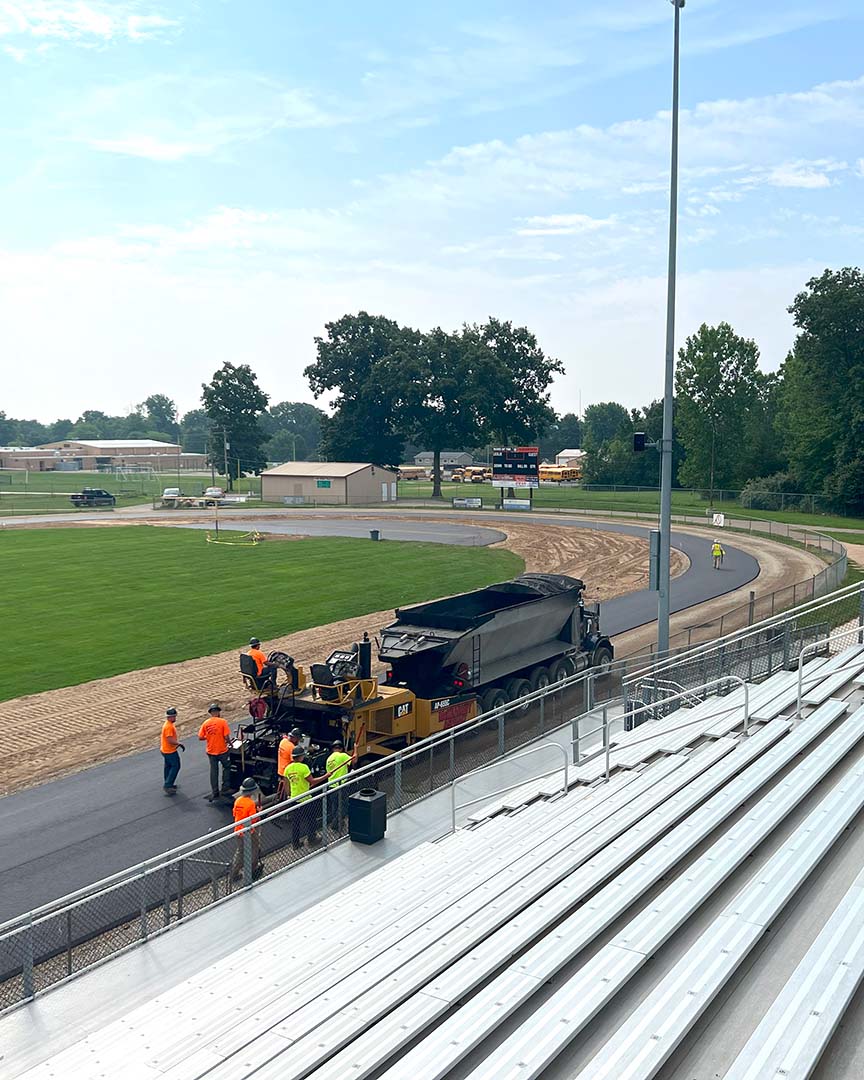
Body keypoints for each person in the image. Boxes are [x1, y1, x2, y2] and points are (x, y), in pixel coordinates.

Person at [283, 744, 332, 849]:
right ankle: (311, 839)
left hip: (294, 799)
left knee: (296, 822)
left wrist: (289, 795)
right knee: (311, 819)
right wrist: (326, 776)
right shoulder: (304, 768)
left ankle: (295, 844)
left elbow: (286, 785)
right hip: (305, 798)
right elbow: (312, 781)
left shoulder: (288, 768)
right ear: (301, 756)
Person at [230, 777, 263, 881]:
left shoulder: (238, 801)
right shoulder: (250, 803)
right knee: (254, 850)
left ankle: (234, 873)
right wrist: (259, 812)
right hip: (249, 831)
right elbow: (253, 819)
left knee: (240, 852)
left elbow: (234, 813)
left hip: (238, 831)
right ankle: (251, 871)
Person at [198, 703, 232, 801]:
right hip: (222, 750)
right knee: (227, 767)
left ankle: (215, 791)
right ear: (218, 712)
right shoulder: (222, 722)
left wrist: (209, 737)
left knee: (214, 771)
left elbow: (200, 737)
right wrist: (229, 743)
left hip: (211, 751)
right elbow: (226, 736)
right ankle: (225, 787)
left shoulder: (206, 723)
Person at [325, 738, 357, 829]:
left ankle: (339, 823)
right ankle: (335, 823)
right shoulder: (342, 756)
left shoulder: (329, 759)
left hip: (331, 786)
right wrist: (355, 748)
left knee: (335, 806)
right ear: (341, 748)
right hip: (341, 785)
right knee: (344, 805)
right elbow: (354, 760)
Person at [160, 707, 185, 795]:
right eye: (173, 716)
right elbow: (170, 740)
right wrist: (179, 743)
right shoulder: (169, 727)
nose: (175, 718)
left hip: (165, 749)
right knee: (176, 766)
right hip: (169, 751)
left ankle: (168, 782)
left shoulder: (168, 724)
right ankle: (168, 785)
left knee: (168, 766)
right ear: (169, 717)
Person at [276, 728, 302, 799]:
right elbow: (295, 761)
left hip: (280, 770)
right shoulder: (291, 747)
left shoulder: (283, 741)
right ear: (295, 738)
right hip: (287, 772)